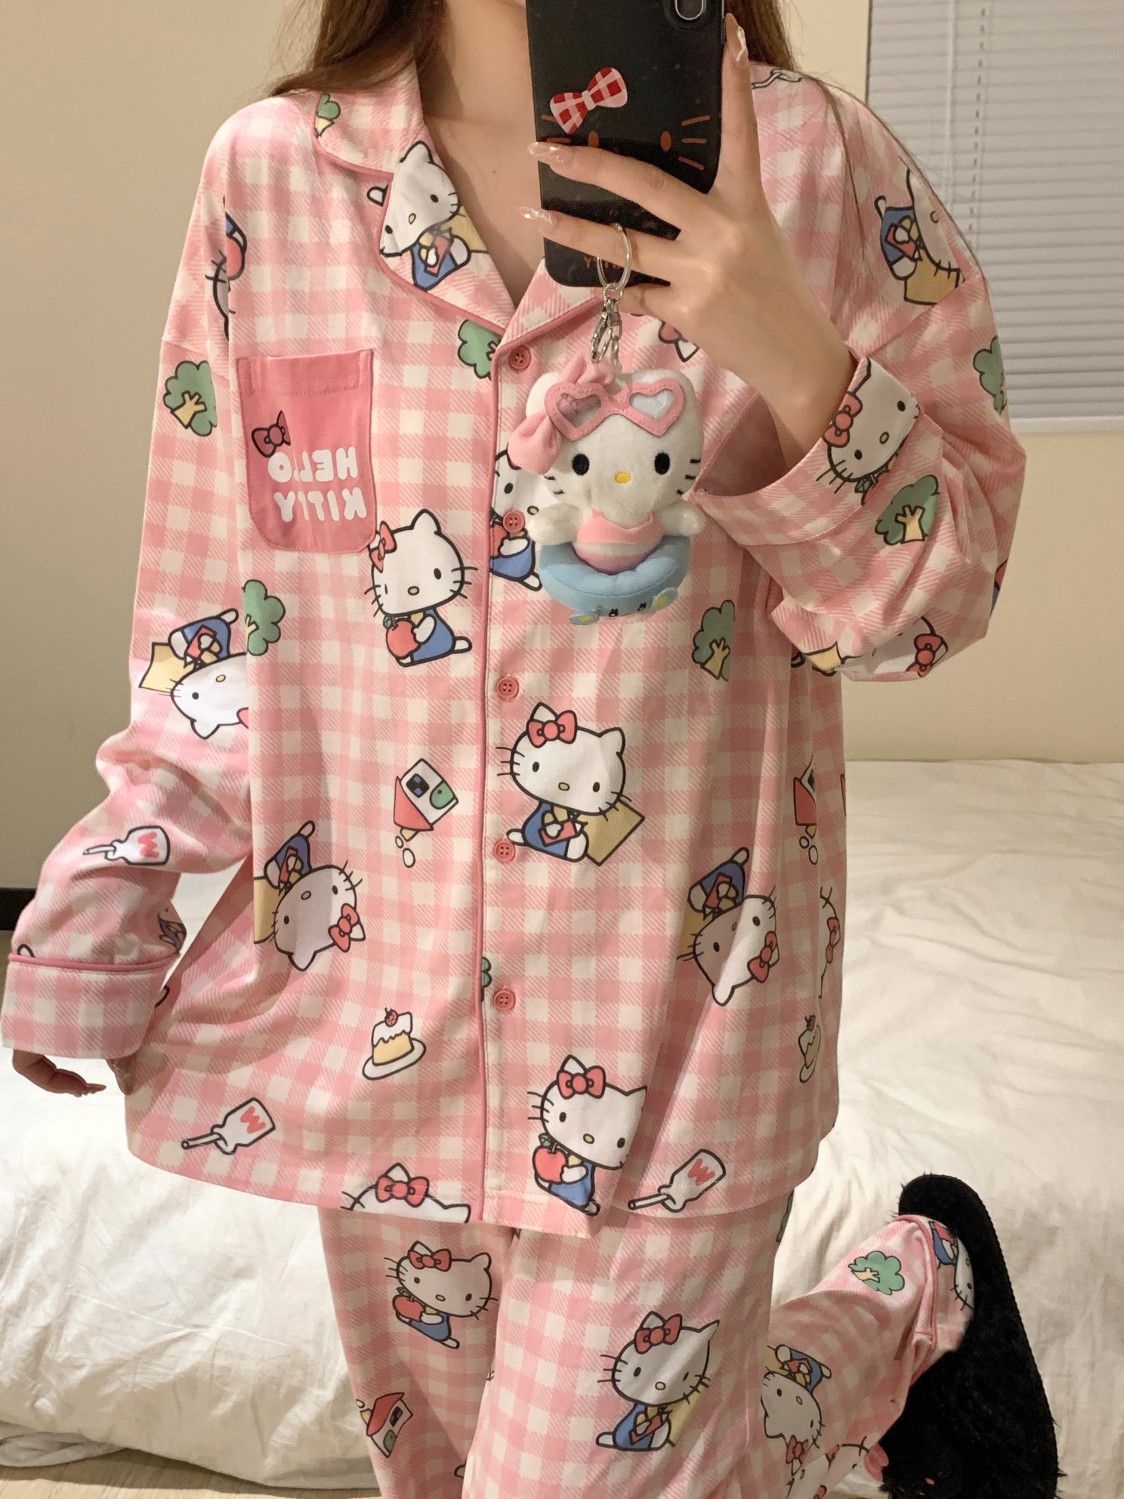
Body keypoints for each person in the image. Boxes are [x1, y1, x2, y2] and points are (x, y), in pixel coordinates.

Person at [3, 1, 1062, 1495]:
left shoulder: (815, 164)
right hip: (381, 1023)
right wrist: (112, 880)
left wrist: (780, 339)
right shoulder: (272, 177)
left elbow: (934, 606)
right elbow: (220, 621)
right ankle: (912, 1301)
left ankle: (901, 1315)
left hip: (687, 1035)